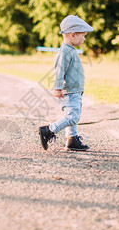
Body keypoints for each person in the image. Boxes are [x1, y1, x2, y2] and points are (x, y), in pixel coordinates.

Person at [38, 15, 94, 151]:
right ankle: (49, 130)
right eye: (83, 36)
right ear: (73, 35)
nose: (84, 39)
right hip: (69, 91)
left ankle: (72, 140)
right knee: (72, 116)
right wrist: (57, 88)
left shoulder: (71, 50)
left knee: (73, 116)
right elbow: (59, 71)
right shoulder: (64, 52)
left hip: (75, 90)